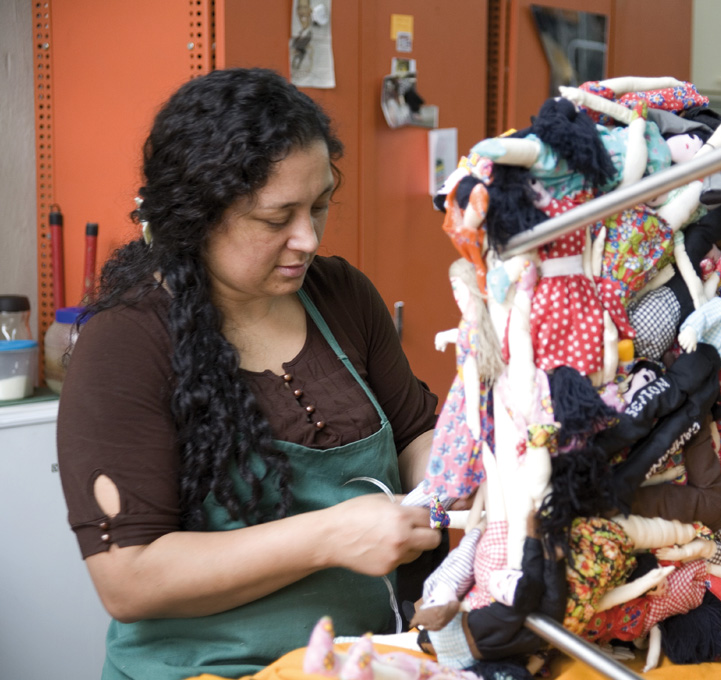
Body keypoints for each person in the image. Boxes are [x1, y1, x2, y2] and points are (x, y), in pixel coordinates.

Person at [56, 68, 443, 680]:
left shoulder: (342, 295)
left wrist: (447, 483)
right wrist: (328, 537)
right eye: (275, 218)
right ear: (197, 215)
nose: (308, 238)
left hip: (355, 662)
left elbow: (416, 432)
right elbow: (128, 579)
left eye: (318, 207)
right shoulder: (127, 343)